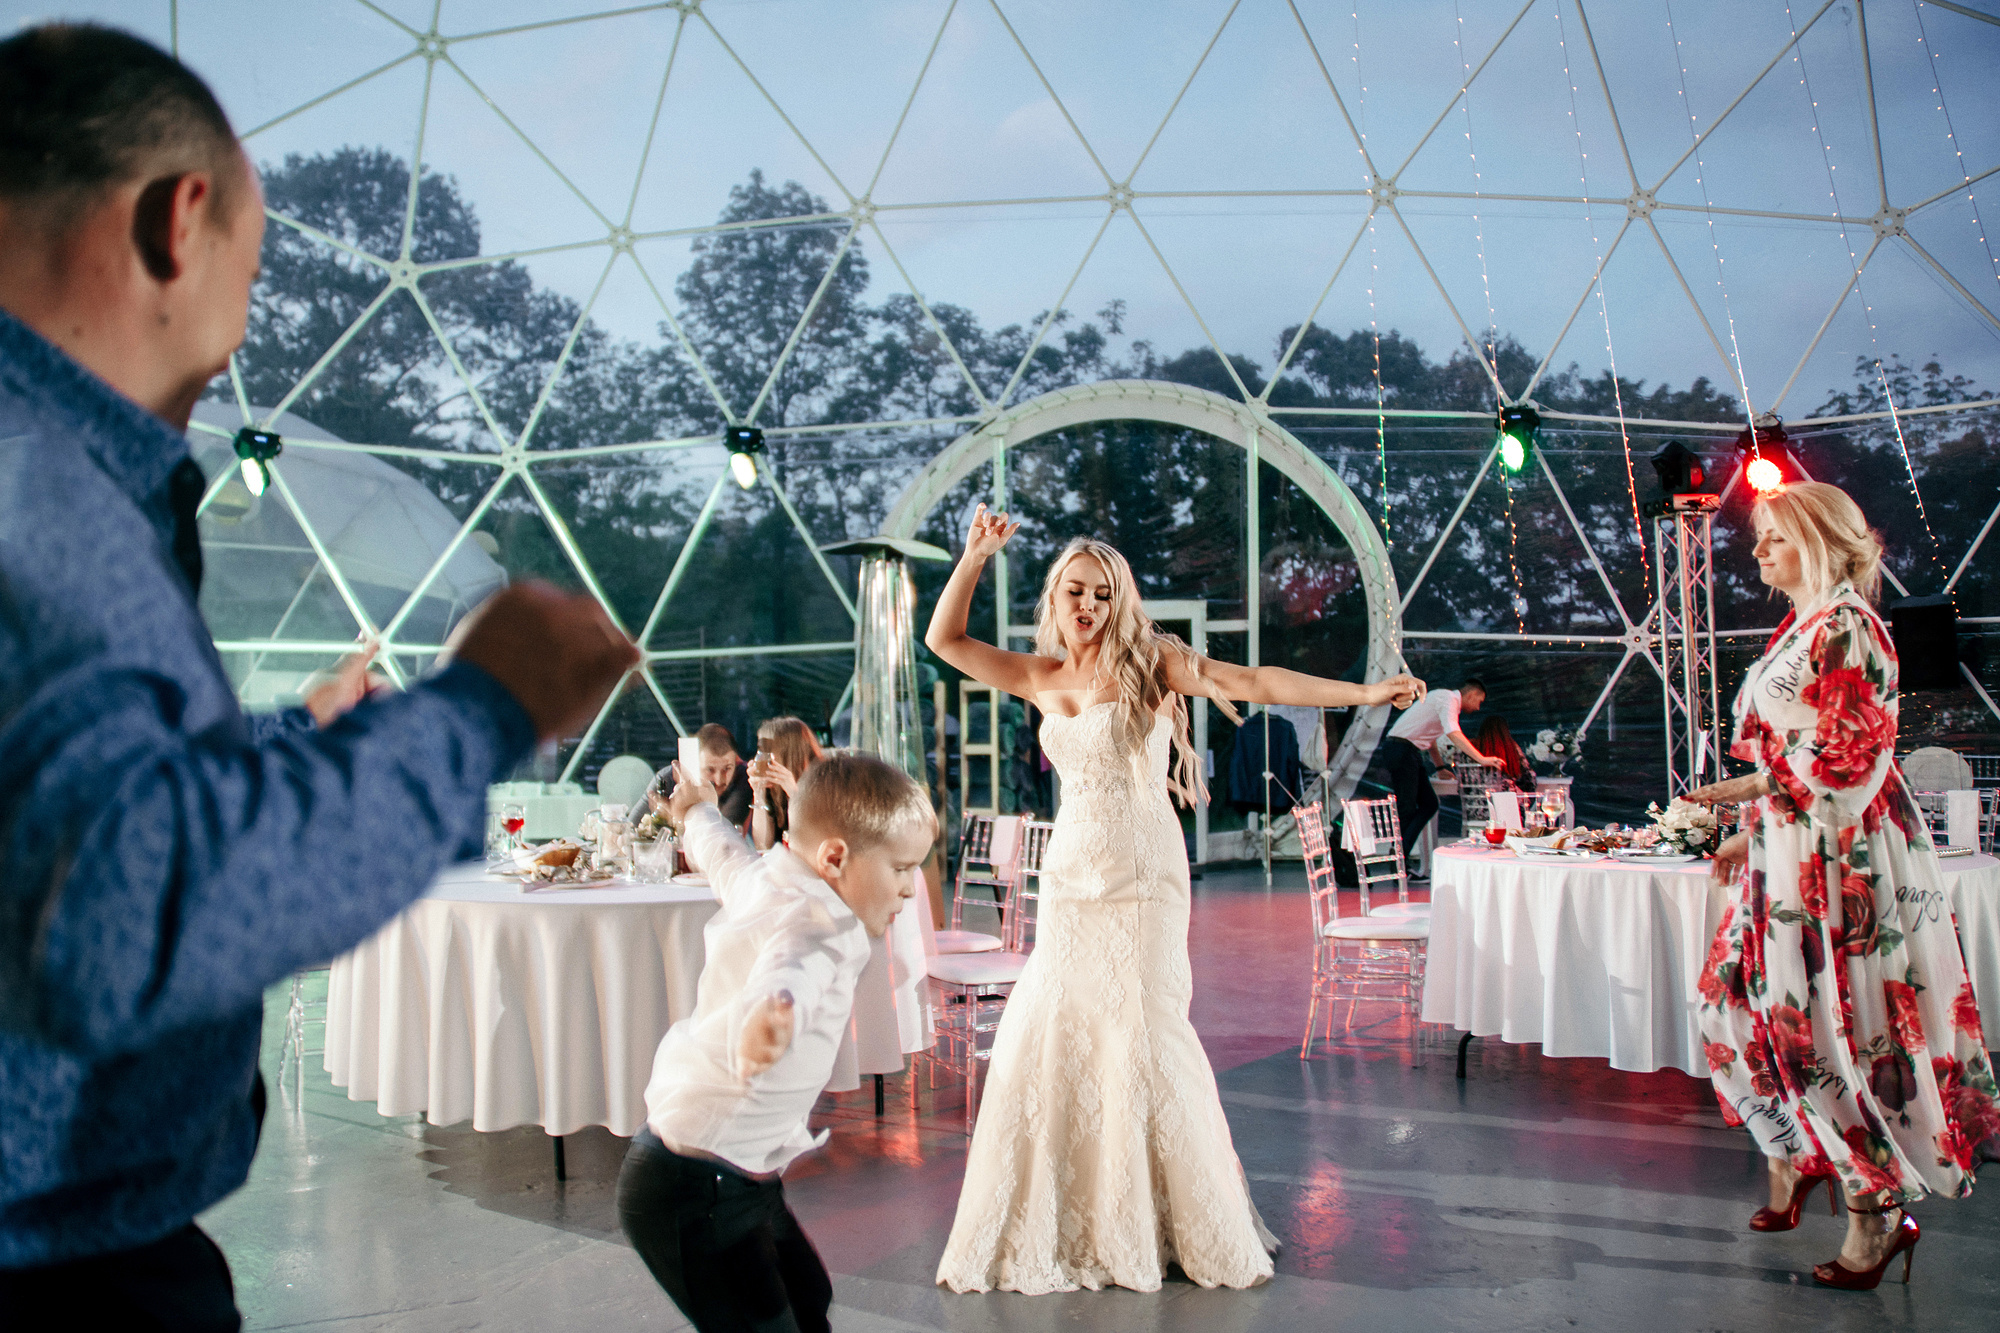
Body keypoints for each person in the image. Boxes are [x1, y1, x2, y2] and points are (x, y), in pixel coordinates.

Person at [0, 25, 637, 1327]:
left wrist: (298, 738)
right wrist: (485, 706)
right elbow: (124, 913)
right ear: (182, 222)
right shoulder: (38, 488)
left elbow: (59, 811)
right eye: (257, 251)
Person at [927, 507, 1423, 1293]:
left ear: (1118, 599)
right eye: (1074, 593)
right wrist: (975, 555)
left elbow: (1253, 682)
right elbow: (945, 642)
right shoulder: (1040, 677)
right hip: (1072, 878)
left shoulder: (1150, 661)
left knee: (1145, 1025)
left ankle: (1171, 1213)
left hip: (1144, 877)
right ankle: (1077, 1212)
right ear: (1054, 601)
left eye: (1100, 592)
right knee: (1060, 1022)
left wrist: (1367, 691)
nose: (1086, 606)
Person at [1685, 481, 1999, 1290]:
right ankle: (1801, 1153)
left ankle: (1876, 1206)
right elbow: (1801, 747)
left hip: (1836, 858)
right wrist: (1748, 831)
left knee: (1825, 1033)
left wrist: (1751, 795)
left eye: (1774, 538)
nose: (1757, 552)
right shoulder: (1803, 626)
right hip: (1786, 849)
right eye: (1758, 538)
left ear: (1820, 540)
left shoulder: (1854, 628)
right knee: (1727, 1005)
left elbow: (1853, 754)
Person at [618, 752, 934, 1332]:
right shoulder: (819, 928)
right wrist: (771, 1018)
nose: (910, 890)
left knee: (808, 1298)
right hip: (692, 1189)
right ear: (836, 857)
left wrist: (695, 812)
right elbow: (792, 972)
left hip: (737, 1176)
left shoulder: (772, 878)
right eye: (900, 869)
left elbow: (724, 858)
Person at [1381, 676, 1501, 858]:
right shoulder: (1448, 699)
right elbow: (1453, 732)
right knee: (1407, 807)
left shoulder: (1442, 700)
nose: (1478, 707)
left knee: (1429, 804)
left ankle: (1400, 853)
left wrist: (1439, 767)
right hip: (1401, 750)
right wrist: (1481, 758)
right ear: (1472, 694)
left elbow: (1430, 739)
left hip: (1407, 751)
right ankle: (1398, 857)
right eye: (1479, 701)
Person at [748, 716, 825, 851]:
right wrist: (758, 793)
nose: (761, 757)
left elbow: (819, 840)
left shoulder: (822, 783)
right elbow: (762, 845)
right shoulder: (772, 787)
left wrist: (794, 794)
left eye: (766, 750)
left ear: (788, 754)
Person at [698, 721, 756, 828]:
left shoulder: (744, 778)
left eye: (727, 769)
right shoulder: (669, 780)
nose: (719, 780)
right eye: (710, 770)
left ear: (737, 761)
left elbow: (723, 832)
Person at [1473, 715, 1530, 791]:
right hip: (1507, 797)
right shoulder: (1512, 748)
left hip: (1478, 796)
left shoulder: (1473, 749)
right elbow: (1528, 777)